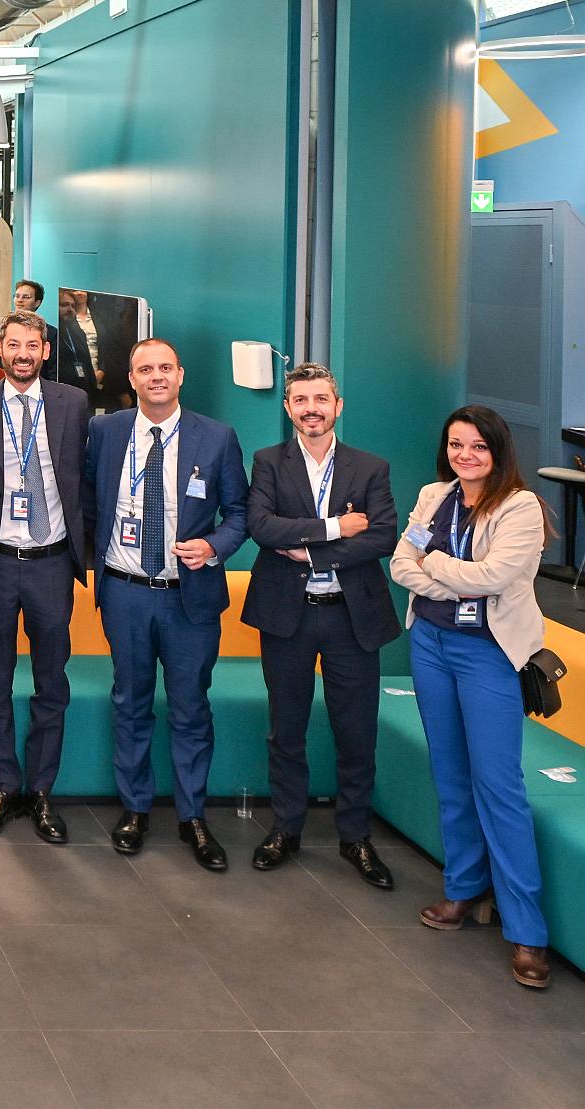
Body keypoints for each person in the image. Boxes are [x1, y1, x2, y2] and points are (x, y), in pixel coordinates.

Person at [391, 405, 557, 990]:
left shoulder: (521, 507)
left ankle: (527, 930)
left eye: (478, 446)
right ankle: (464, 888)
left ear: (498, 451)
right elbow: (400, 564)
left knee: (498, 784)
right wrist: (449, 578)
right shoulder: (433, 496)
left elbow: (493, 578)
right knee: (451, 774)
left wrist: (436, 564)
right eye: (456, 444)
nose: (466, 455)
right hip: (431, 646)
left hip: (489, 653)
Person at [84, 339, 248, 868]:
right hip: (126, 593)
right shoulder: (105, 432)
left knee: (190, 707)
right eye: (145, 369)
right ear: (131, 379)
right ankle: (134, 809)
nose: (156, 376)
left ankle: (192, 816)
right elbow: (87, 502)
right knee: (130, 702)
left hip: (189, 597)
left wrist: (214, 547)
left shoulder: (217, 437)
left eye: (165, 368)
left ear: (181, 375)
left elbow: (240, 514)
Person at [243, 364, 399, 885]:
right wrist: (335, 527)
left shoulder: (371, 467)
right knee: (286, 728)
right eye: (301, 400)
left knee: (356, 732)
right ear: (288, 407)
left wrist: (311, 553)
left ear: (338, 406)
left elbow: (382, 536)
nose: (312, 408)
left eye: (321, 399)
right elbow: (262, 527)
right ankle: (285, 828)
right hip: (287, 615)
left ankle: (355, 837)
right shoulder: (268, 462)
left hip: (352, 619)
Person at [0, 312, 92, 842]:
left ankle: (40, 790)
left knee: (51, 682)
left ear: (45, 350)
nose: (22, 354)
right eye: (13, 344)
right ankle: (4, 785)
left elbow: (87, 477)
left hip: (52, 563)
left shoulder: (72, 403)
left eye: (31, 345)